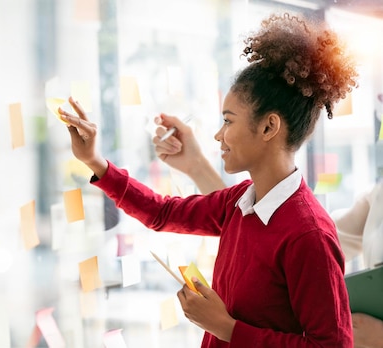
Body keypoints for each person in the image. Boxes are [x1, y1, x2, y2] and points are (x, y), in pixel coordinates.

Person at [59, 12, 358, 347]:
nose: (218, 135)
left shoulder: (308, 234)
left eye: (228, 121)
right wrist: (95, 161)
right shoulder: (239, 202)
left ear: (269, 127)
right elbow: (162, 213)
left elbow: (332, 345)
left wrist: (227, 329)